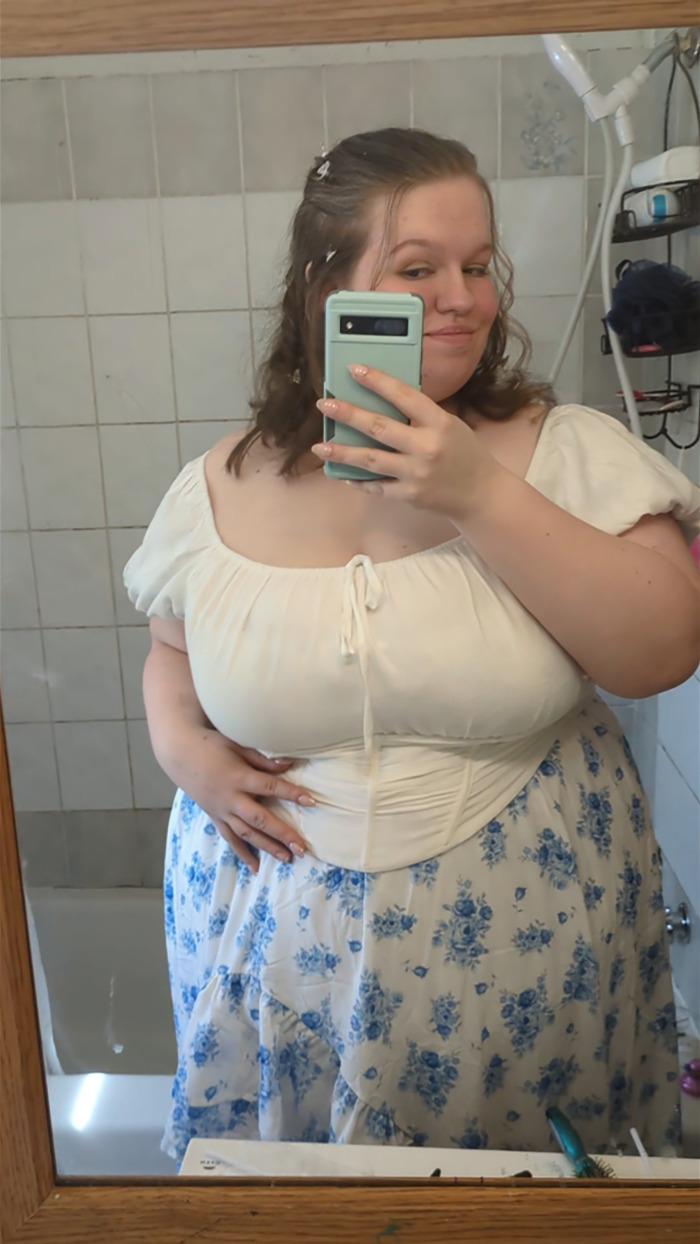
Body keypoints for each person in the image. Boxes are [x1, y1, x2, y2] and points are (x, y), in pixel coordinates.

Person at [124, 128, 700, 1167]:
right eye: (416, 269)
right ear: (327, 294)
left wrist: (477, 492)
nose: (462, 297)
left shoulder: (565, 450)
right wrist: (184, 749)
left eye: (476, 266)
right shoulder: (221, 482)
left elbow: (659, 649)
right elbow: (172, 651)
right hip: (285, 971)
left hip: (525, 948)